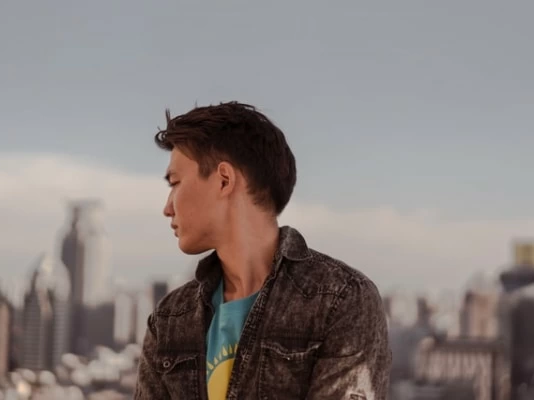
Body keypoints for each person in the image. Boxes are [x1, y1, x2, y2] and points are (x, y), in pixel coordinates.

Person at [134, 102, 391, 399]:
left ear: (224, 180)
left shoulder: (342, 300)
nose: (167, 207)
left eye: (175, 183)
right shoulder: (169, 319)